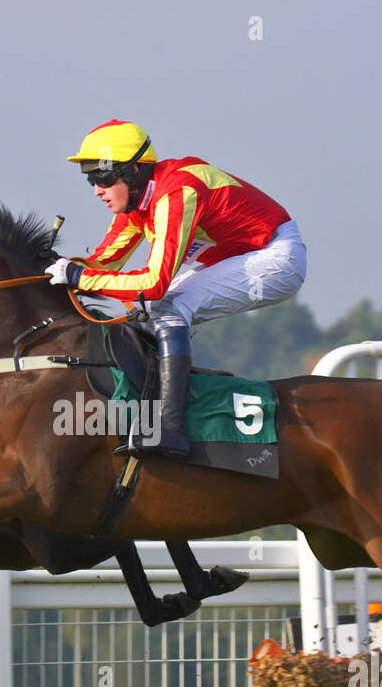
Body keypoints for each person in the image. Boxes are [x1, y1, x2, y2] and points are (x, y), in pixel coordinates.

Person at [46, 120, 306, 459]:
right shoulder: (137, 202)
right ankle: (152, 408)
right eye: (91, 179)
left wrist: (80, 277)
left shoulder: (175, 193)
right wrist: (53, 269)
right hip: (241, 254)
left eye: (103, 178)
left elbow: (153, 283)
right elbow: (103, 263)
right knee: (148, 312)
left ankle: (170, 427)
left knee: (165, 307)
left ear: (134, 171)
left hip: (276, 256)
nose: (97, 189)